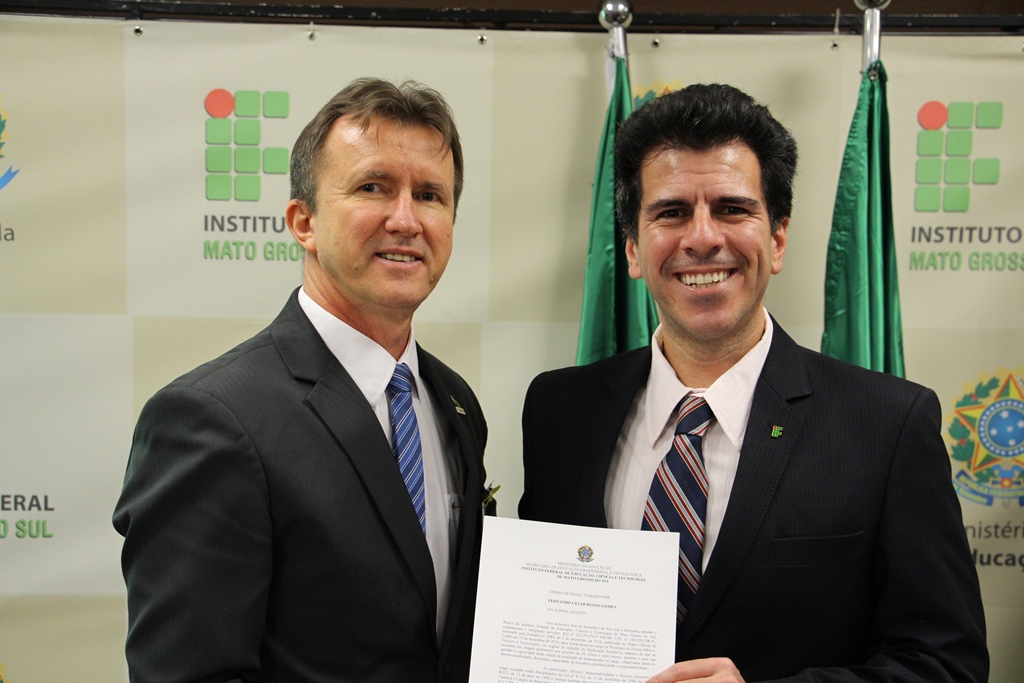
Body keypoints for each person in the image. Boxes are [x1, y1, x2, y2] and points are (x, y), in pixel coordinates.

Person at [518, 83, 987, 682]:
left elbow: (947, 664)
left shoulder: (888, 425)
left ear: (778, 238)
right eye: (671, 212)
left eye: (732, 209)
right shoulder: (559, 411)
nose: (702, 238)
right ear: (632, 248)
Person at [114, 77, 489, 682]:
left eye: (429, 195)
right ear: (303, 221)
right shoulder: (210, 419)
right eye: (373, 187)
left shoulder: (455, 404)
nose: (406, 219)